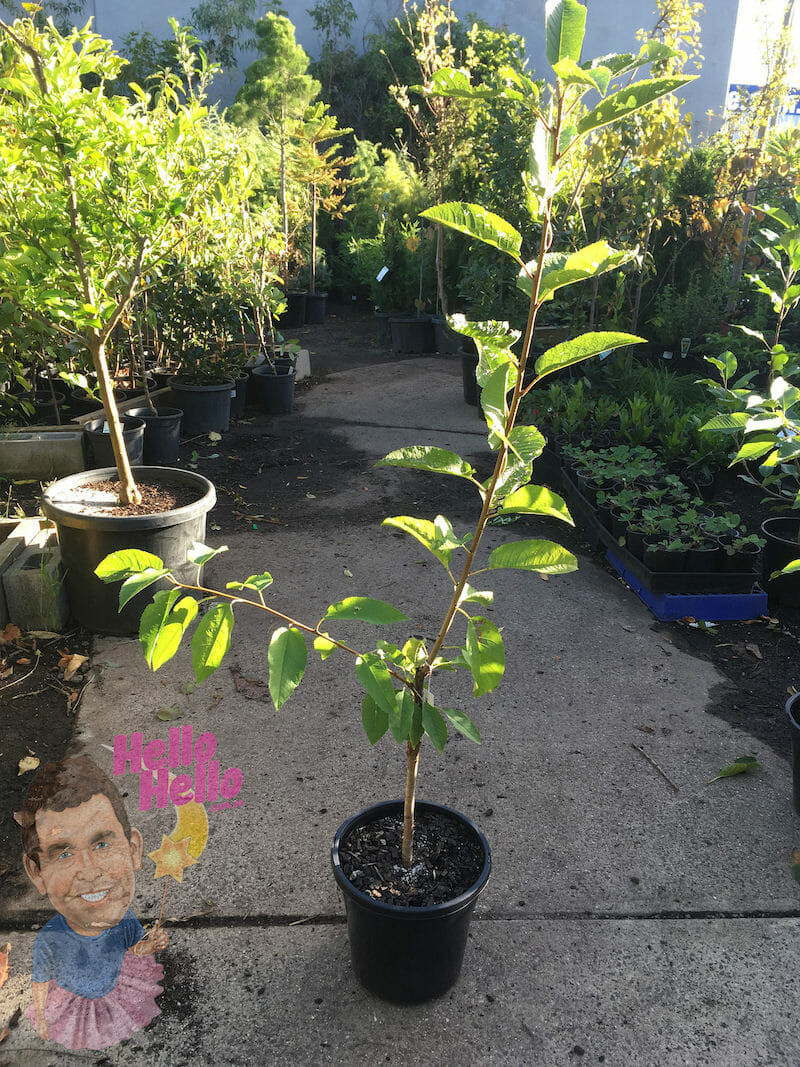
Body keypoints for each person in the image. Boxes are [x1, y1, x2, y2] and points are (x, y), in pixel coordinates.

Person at [16, 755, 168, 1050]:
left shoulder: (126, 921)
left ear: (133, 849)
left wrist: (150, 944)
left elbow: (133, 953)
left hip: (114, 995)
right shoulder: (50, 939)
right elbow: (41, 981)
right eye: (64, 853)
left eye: (102, 844)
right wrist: (45, 1019)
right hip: (73, 1005)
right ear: (37, 872)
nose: (89, 871)